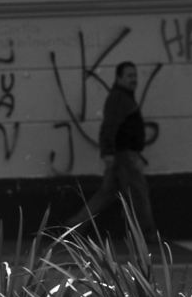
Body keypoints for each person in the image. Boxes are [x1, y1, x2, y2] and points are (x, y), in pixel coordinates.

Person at [67, 61, 157, 242]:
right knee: (139, 193)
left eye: (135, 75)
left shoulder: (122, 97)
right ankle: (147, 234)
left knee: (105, 195)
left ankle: (74, 227)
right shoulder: (119, 98)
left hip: (121, 155)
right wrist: (108, 151)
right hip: (124, 156)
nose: (134, 79)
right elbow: (109, 126)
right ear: (119, 78)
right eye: (129, 76)